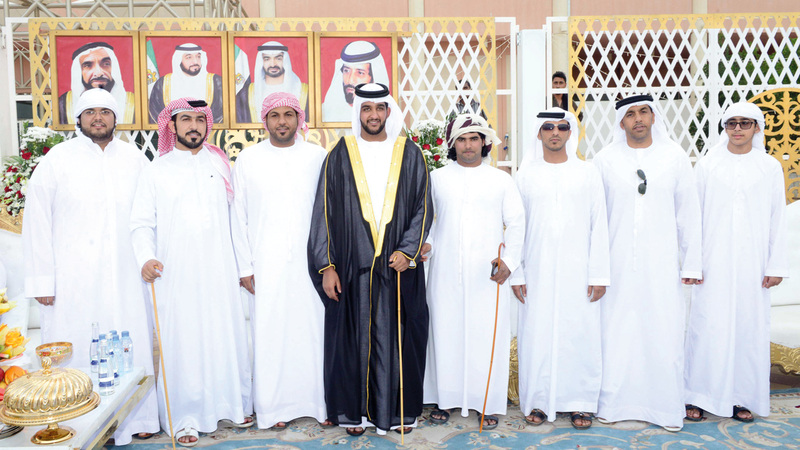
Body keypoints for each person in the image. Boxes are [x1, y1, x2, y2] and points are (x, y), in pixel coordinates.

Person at [23, 88, 158, 445]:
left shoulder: (135, 159)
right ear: (78, 119)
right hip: (73, 279)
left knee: (129, 343)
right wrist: (42, 281)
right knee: (77, 347)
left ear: (116, 118)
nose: (98, 118)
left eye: (105, 112)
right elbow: (36, 221)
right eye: (90, 112)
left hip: (126, 277)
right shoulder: (57, 160)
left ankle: (137, 418)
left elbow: (150, 216)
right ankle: (76, 419)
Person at [308, 83, 433, 436]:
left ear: (388, 111)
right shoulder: (339, 154)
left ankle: (397, 412)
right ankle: (356, 414)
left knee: (400, 338)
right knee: (352, 341)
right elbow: (324, 212)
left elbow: (423, 206)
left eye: (379, 108)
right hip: (352, 269)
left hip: (398, 269)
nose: (373, 115)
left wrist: (407, 251)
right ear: (358, 112)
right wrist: (327, 266)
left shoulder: (410, 153)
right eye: (367, 109)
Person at [130, 98, 252, 447]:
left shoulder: (220, 164)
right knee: (183, 344)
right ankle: (184, 418)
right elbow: (141, 222)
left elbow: (237, 220)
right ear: (172, 125)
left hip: (219, 270)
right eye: (186, 119)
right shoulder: (156, 170)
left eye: (200, 119)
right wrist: (146, 257)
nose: (193, 126)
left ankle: (231, 406)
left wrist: (243, 266)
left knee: (223, 336)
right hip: (176, 273)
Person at [593, 94, 702, 431]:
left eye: (643, 112)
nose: (637, 119)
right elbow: (595, 219)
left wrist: (692, 264)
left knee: (663, 330)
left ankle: (665, 408)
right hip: (616, 263)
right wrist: (596, 268)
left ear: (654, 117)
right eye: (630, 114)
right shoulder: (605, 160)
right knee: (616, 332)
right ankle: (613, 405)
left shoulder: (675, 157)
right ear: (621, 122)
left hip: (662, 264)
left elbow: (689, 214)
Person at [684, 102, 788, 423]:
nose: (738, 129)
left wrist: (775, 266)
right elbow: (694, 217)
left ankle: (741, 398)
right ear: (725, 128)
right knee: (708, 328)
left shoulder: (769, 167)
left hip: (753, 264)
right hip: (712, 263)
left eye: (745, 123)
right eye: (732, 123)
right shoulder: (708, 165)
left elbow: (778, 218)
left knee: (748, 329)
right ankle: (697, 396)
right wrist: (693, 263)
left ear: (757, 127)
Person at [230, 92, 329, 429]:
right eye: (275, 115)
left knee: (313, 333)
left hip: (311, 264)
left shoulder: (318, 157)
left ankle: (318, 404)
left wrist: (329, 263)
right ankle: (274, 409)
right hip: (265, 264)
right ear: (265, 121)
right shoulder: (248, 159)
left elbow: (330, 214)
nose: (282, 121)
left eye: (289, 114)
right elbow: (238, 216)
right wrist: (245, 267)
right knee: (270, 336)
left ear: (299, 119)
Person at [422, 113, 524, 430]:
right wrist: (425, 244)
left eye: (474, 139)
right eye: (462, 140)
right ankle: (444, 399)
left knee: (485, 336)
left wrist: (510, 262)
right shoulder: (437, 178)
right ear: (453, 144)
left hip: (488, 274)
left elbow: (517, 223)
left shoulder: (501, 180)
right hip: (445, 271)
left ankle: (487, 402)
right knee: (444, 334)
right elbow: (427, 220)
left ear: (484, 143)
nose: (468, 145)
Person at [511, 108, 610, 430]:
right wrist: (517, 273)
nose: (555, 132)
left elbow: (599, 225)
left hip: (578, 272)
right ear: (538, 133)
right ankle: (538, 401)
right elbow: (515, 228)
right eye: (548, 127)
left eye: (562, 127)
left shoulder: (588, 172)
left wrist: (599, 274)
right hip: (536, 271)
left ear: (571, 133)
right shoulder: (525, 175)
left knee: (579, 335)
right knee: (536, 336)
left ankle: (580, 402)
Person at [58, 42, 135, 124]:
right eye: (88, 65)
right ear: (79, 72)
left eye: (106, 64)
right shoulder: (63, 104)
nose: (98, 73)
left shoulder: (134, 103)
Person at [148, 44, 224, 124]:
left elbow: (221, 114)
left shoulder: (216, 82)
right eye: (189, 57)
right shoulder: (163, 83)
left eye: (198, 57)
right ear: (179, 60)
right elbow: (156, 114)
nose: (195, 61)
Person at [235, 41, 309, 123]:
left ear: (285, 61)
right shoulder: (246, 94)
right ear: (261, 62)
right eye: (267, 59)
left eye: (278, 58)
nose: (273, 64)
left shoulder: (304, 92)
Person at [321, 41, 390, 123]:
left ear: (374, 79)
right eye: (346, 71)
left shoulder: (388, 117)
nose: (350, 80)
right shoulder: (323, 114)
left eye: (360, 73)